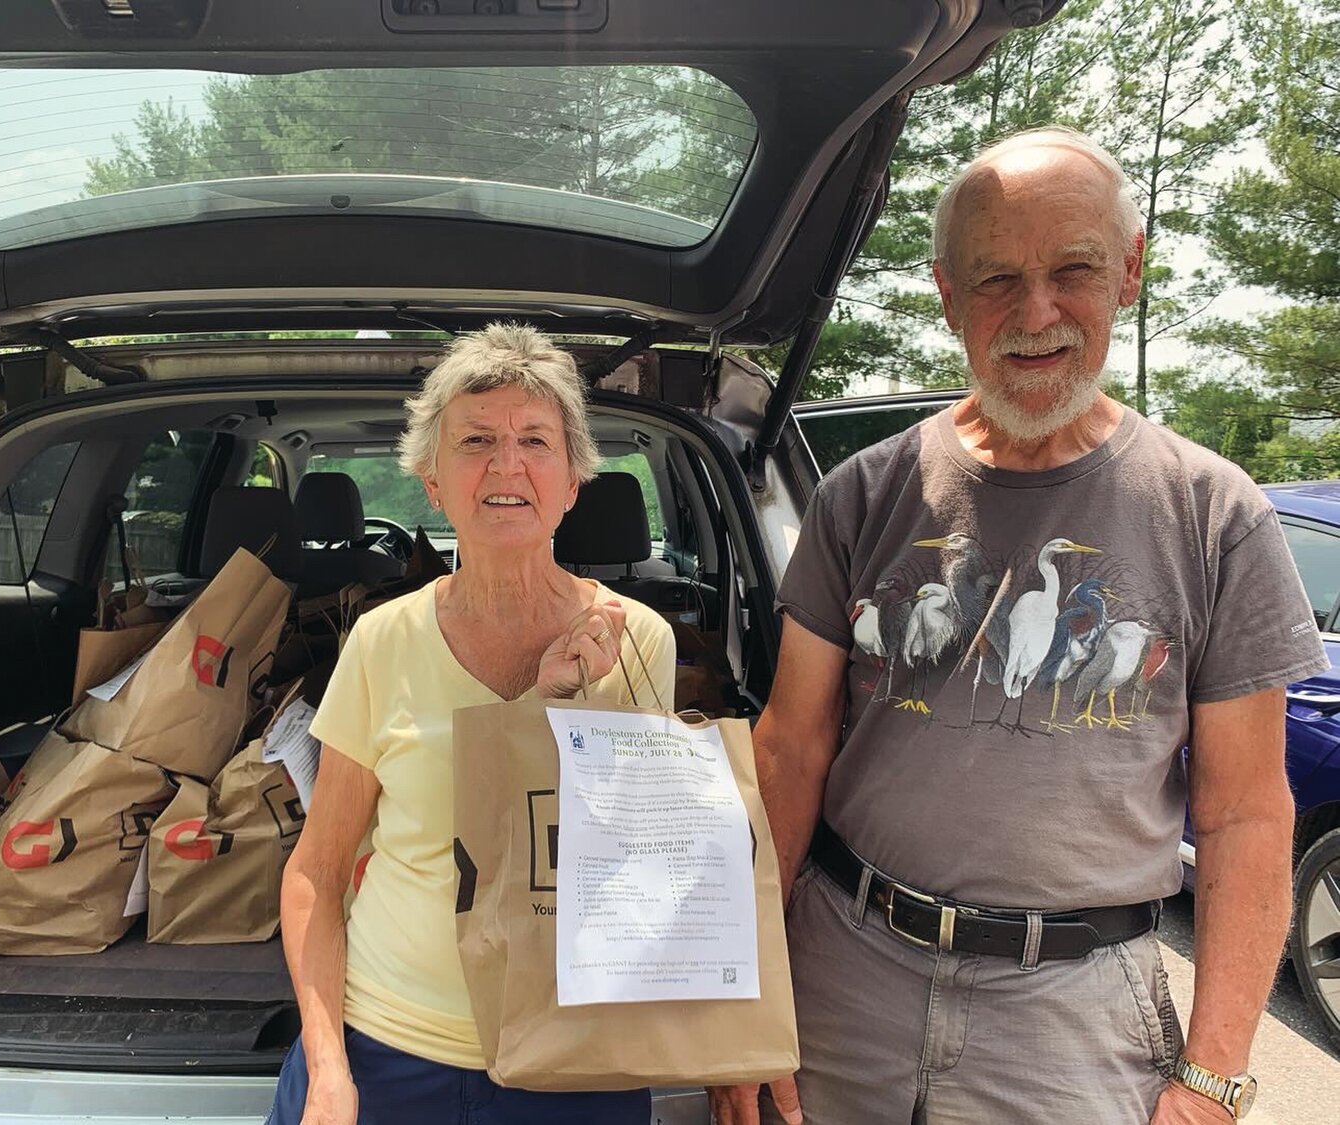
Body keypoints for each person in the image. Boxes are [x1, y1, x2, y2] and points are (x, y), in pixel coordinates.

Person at [711, 127, 1332, 1125]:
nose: (1035, 313)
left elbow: (1248, 816)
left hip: (1074, 1014)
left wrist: (1214, 1077)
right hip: (844, 973)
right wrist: (742, 998)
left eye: (1073, 269)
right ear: (949, 296)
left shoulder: (1217, 515)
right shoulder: (862, 496)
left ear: (1128, 270)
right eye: (996, 278)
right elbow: (789, 751)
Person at [271, 323, 676, 1125]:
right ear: (432, 480)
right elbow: (316, 871)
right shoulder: (382, 639)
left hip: (572, 1054)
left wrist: (559, 711)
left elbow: (649, 871)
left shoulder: (637, 644)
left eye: (535, 440)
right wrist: (327, 1067)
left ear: (572, 481)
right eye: (476, 440)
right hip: (386, 1050)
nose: (506, 465)